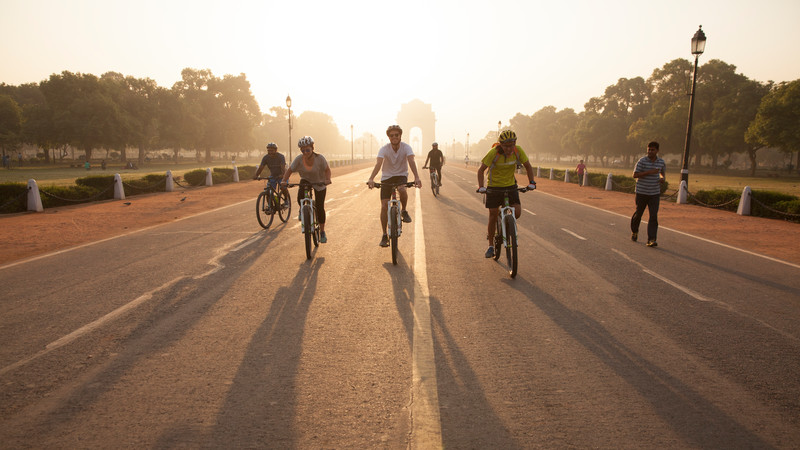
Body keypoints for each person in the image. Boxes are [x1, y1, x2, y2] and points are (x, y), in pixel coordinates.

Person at [476, 129, 537, 258]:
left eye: (512, 145)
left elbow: (528, 166)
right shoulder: (493, 153)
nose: (509, 149)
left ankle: (506, 226)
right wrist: (481, 187)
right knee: (492, 215)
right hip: (494, 187)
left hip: (510, 186)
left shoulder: (518, 151)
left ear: (515, 144)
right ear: (500, 145)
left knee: (517, 212)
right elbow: (481, 170)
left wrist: (532, 182)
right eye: (506, 146)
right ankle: (491, 246)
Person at [367, 124, 422, 247]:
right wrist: (371, 178)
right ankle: (384, 235)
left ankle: (403, 210)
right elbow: (378, 164)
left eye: (396, 135)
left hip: (401, 174)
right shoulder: (384, 149)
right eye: (392, 135)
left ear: (400, 135)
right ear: (389, 137)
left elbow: (411, 161)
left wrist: (417, 177)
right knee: (384, 206)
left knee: (402, 189)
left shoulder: (406, 147)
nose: (394, 137)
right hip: (386, 177)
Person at [280, 136, 332, 243]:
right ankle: (302, 208)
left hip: (319, 182)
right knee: (300, 197)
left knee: (320, 207)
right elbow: (290, 170)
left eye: (307, 149)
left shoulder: (320, 158)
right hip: (306, 181)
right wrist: (284, 181)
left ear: (312, 148)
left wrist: (327, 179)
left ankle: (322, 231)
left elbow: (327, 170)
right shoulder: (299, 159)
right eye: (302, 150)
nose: (305, 152)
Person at [631, 141, 666, 247]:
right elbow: (635, 175)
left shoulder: (661, 162)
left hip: (654, 193)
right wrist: (649, 172)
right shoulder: (642, 161)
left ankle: (651, 239)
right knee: (639, 213)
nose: (650, 151)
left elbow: (662, 174)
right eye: (649, 149)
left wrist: (662, 179)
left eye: (652, 150)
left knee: (653, 216)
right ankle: (635, 231)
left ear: (657, 151)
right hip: (642, 192)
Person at [253, 142, 288, 208]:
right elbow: (261, 167)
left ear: (276, 150)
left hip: (282, 175)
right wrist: (256, 175)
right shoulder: (266, 158)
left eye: (272, 150)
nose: (270, 152)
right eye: (269, 150)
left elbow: (283, 167)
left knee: (283, 187)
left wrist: (282, 175)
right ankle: (271, 206)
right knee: (268, 191)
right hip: (273, 176)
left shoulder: (281, 157)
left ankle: (286, 200)